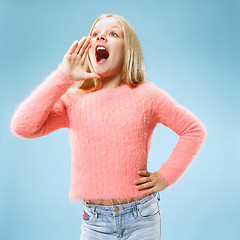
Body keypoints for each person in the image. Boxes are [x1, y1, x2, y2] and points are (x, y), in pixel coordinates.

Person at [10, 13, 207, 240]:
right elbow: (23, 126)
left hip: (141, 218)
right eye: (95, 33)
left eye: (112, 33)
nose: (100, 36)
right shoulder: (74, 100)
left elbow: (193, 130)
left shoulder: (147, 95)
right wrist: (63, 76)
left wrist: (167, 175)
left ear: (127, 50)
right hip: (94, 222)